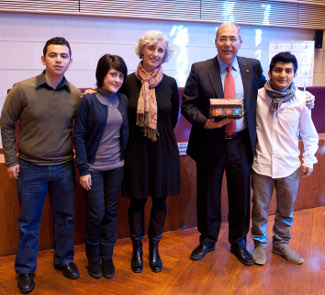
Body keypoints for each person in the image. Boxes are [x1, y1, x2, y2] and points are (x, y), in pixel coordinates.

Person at [182, 22, 315, 266]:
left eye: (232, 38)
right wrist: (206, 122)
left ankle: (238, 241)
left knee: (241, 196)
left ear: (240, 42)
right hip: (210, 142)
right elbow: (187, 105)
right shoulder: (199, 69)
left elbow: (274, 89)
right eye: (223, 38)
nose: (228, 43)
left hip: (241, 143)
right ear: (215, 41)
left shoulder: (252, 67)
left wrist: (304, 96)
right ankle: (207, 239)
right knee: (208, 194)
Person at [0, 37, 81, 293]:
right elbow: (6, 123)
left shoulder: (76, 94)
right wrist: (11, 160)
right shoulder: (23, 89)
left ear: (70, 60)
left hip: (65, 167)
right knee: (29, 222)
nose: (59, 60)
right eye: (53, 55)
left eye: (64, 56)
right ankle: (25, 270)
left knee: (66, 218)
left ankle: (64, 260)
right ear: (43, 58)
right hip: (30, 168)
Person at [250, 52, 318, 265]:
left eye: (288, 71)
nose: (283, 75)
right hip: (261, 165)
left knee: (286, 211)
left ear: (294, 74)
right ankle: (260, 244)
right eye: (278, 70)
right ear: (269, 72)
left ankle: (281, 244)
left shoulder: (301, 100)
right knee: (259, 210)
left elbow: (309, 134)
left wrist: (308, 159)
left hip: (289, 167)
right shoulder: (256, 96)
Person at [122, 31, 180, 273]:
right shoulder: (126, 82)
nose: (155, 54)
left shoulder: (170, 83)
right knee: (137, 199)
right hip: (136, 148)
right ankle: (136, 250)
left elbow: (173, 118)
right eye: (151, 49)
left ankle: (154, 249)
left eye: (160, 50)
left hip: (163, 148)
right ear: (142, 51)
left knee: (159, 199)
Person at [74, 54, 128, 279]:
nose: (117, 79)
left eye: (121, 75)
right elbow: (78, 135)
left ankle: (107, 258)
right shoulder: (88, 100)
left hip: (117, 166)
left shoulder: (123, 100)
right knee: (96, 214)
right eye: (112, 74)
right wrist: (84, 169)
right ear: (102, 75)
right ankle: (93, 259)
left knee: (111, 213)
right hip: (94, 169)